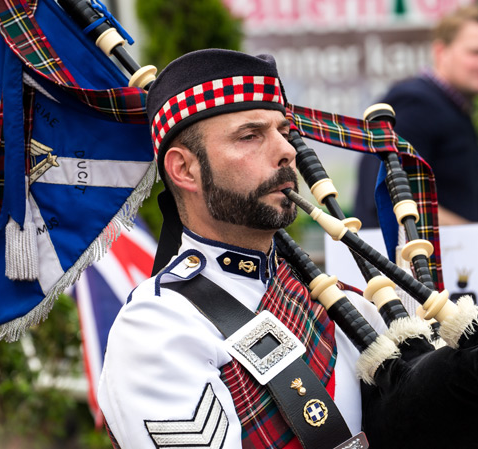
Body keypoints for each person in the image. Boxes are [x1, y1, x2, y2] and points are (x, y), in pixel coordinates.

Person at [97, 49, 385, 449]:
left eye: (283, 130)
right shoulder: (158, 328)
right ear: (184, 170)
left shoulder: (344, 306)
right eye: (250, 136)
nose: (286, 150)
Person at [354, 4, 478, 227]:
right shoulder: (417, 103)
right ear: (441, 52)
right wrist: (476, 238)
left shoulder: (453, 107)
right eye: (477, 52)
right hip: (408, 259)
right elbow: (389, 196)